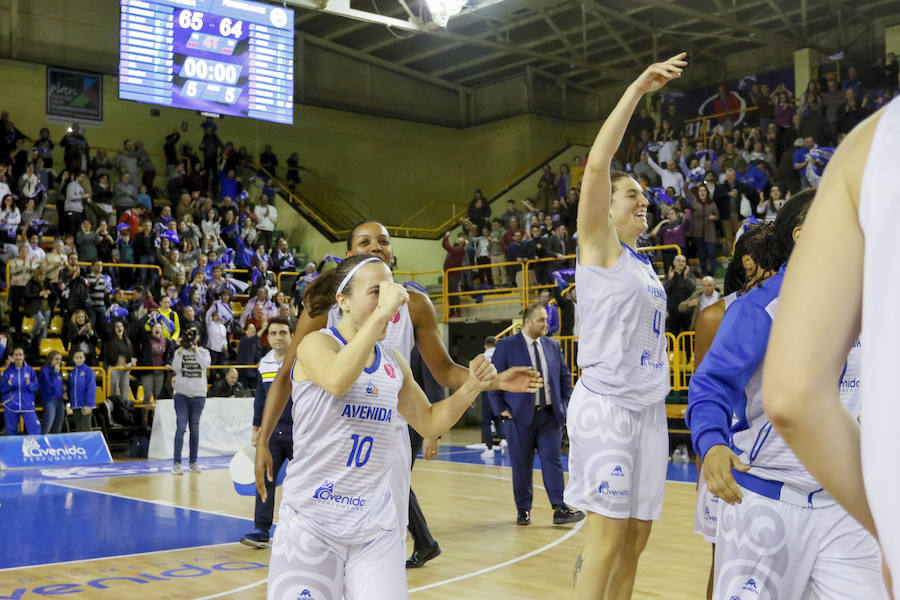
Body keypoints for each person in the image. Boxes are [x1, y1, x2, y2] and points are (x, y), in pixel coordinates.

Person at [256, 221, 540, 573]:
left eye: (383, 241)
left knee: (385, 532)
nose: (376, 246)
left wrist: (494, 382)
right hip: (330, 433)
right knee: (322, 542)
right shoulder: (323, 312)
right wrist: (263, 440)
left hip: (389, 426)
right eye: (365, 242)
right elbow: (288, 377)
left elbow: (444, 371)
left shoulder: (414, 304)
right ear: (349, 257)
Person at [687, 191, 887, 598]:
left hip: (843, 505)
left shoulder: (864, 305)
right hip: (767, 499)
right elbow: (711, 383)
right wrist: (712, 444)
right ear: (802, 235)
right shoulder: (760, 308)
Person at [762, 98, 900, 597]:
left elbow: (793, 395)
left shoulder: (872, 144)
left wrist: (889, 522)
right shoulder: (754, 309)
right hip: (775, 488)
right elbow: (716, 383)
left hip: (840, 490)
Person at [564, 53, 685, 600]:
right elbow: (597, 164)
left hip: (647, 407)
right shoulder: (599, 246)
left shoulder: (643, 265)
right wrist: (637, 88)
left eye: (644, 193)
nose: (643, 199)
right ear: (606, 210)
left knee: (636, 539)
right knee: (608, 539)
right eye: (631, 193)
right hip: (608, 403)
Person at [489, 302, 582, 526]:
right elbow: (493, 380)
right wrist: (501, 409)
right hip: (518, 418)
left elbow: (564, 377)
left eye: (546, 320)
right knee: (521, 465)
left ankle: (559, 508)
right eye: (541, 320)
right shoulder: (507, 345)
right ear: (527, 322)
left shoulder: (552, 345)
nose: (546, 324)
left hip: (549, 416)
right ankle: (523, 510)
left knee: (552, 461)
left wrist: (564, 404)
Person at [241, 317, 294, 548]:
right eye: (273, 333)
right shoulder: (264, 363)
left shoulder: (301, 360)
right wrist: (256, 428)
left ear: (292, 335)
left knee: (303, 481)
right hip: (272, 432)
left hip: (300, 431)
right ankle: (261, 530)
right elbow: (261, 398)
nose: (278, 337)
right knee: (265, 479)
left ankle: (304, 530)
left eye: (283, 332)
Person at [170, 326, 211, 475]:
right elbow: (175, 367)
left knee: (195, 429)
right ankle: (177, 463)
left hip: (198, 395)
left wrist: (195, 351)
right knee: (181, 427)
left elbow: (206, 365)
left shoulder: (204, 352)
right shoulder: (179, 352)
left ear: (198, 338)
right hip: (181, 395)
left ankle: (193, 462)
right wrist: (181, 351)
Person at [1, 347, 40, 435]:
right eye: (16, 355)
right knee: (11, 431)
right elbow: (2, 388)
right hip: (11, 405)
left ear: (24, 356)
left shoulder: (30, 370)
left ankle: (36, 444)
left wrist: (29, 385)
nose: (18, 357)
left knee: (35, 429)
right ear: (13, 357)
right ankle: (13, 444)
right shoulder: (8, 371)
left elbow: (36, 386)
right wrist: (8, 385)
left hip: (27, 404)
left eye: (20, 355)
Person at [68, 349, 96, 432]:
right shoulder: (72, 372)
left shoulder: (88, 371)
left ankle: (90, 442)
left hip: (85, 404)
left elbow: (91, 388)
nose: (79, 360)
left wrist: (88, 404)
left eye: (81, 357)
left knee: (86, 428)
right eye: (77, 358)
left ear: (84, 358)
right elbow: (71, 388)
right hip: (75, 405)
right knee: (78, 429)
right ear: (73, 359)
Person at [39, 351, 67, 434]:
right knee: (47, 426)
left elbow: (61, 384)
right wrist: (55, 373)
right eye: (56, 359)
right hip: (50, 400)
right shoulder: (45, 370)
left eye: (60, 359)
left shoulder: (59, 371)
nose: (59, 361)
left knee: (58, 427)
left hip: (60, 400)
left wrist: (65, 391)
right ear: (50, 359)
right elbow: (48, 386)